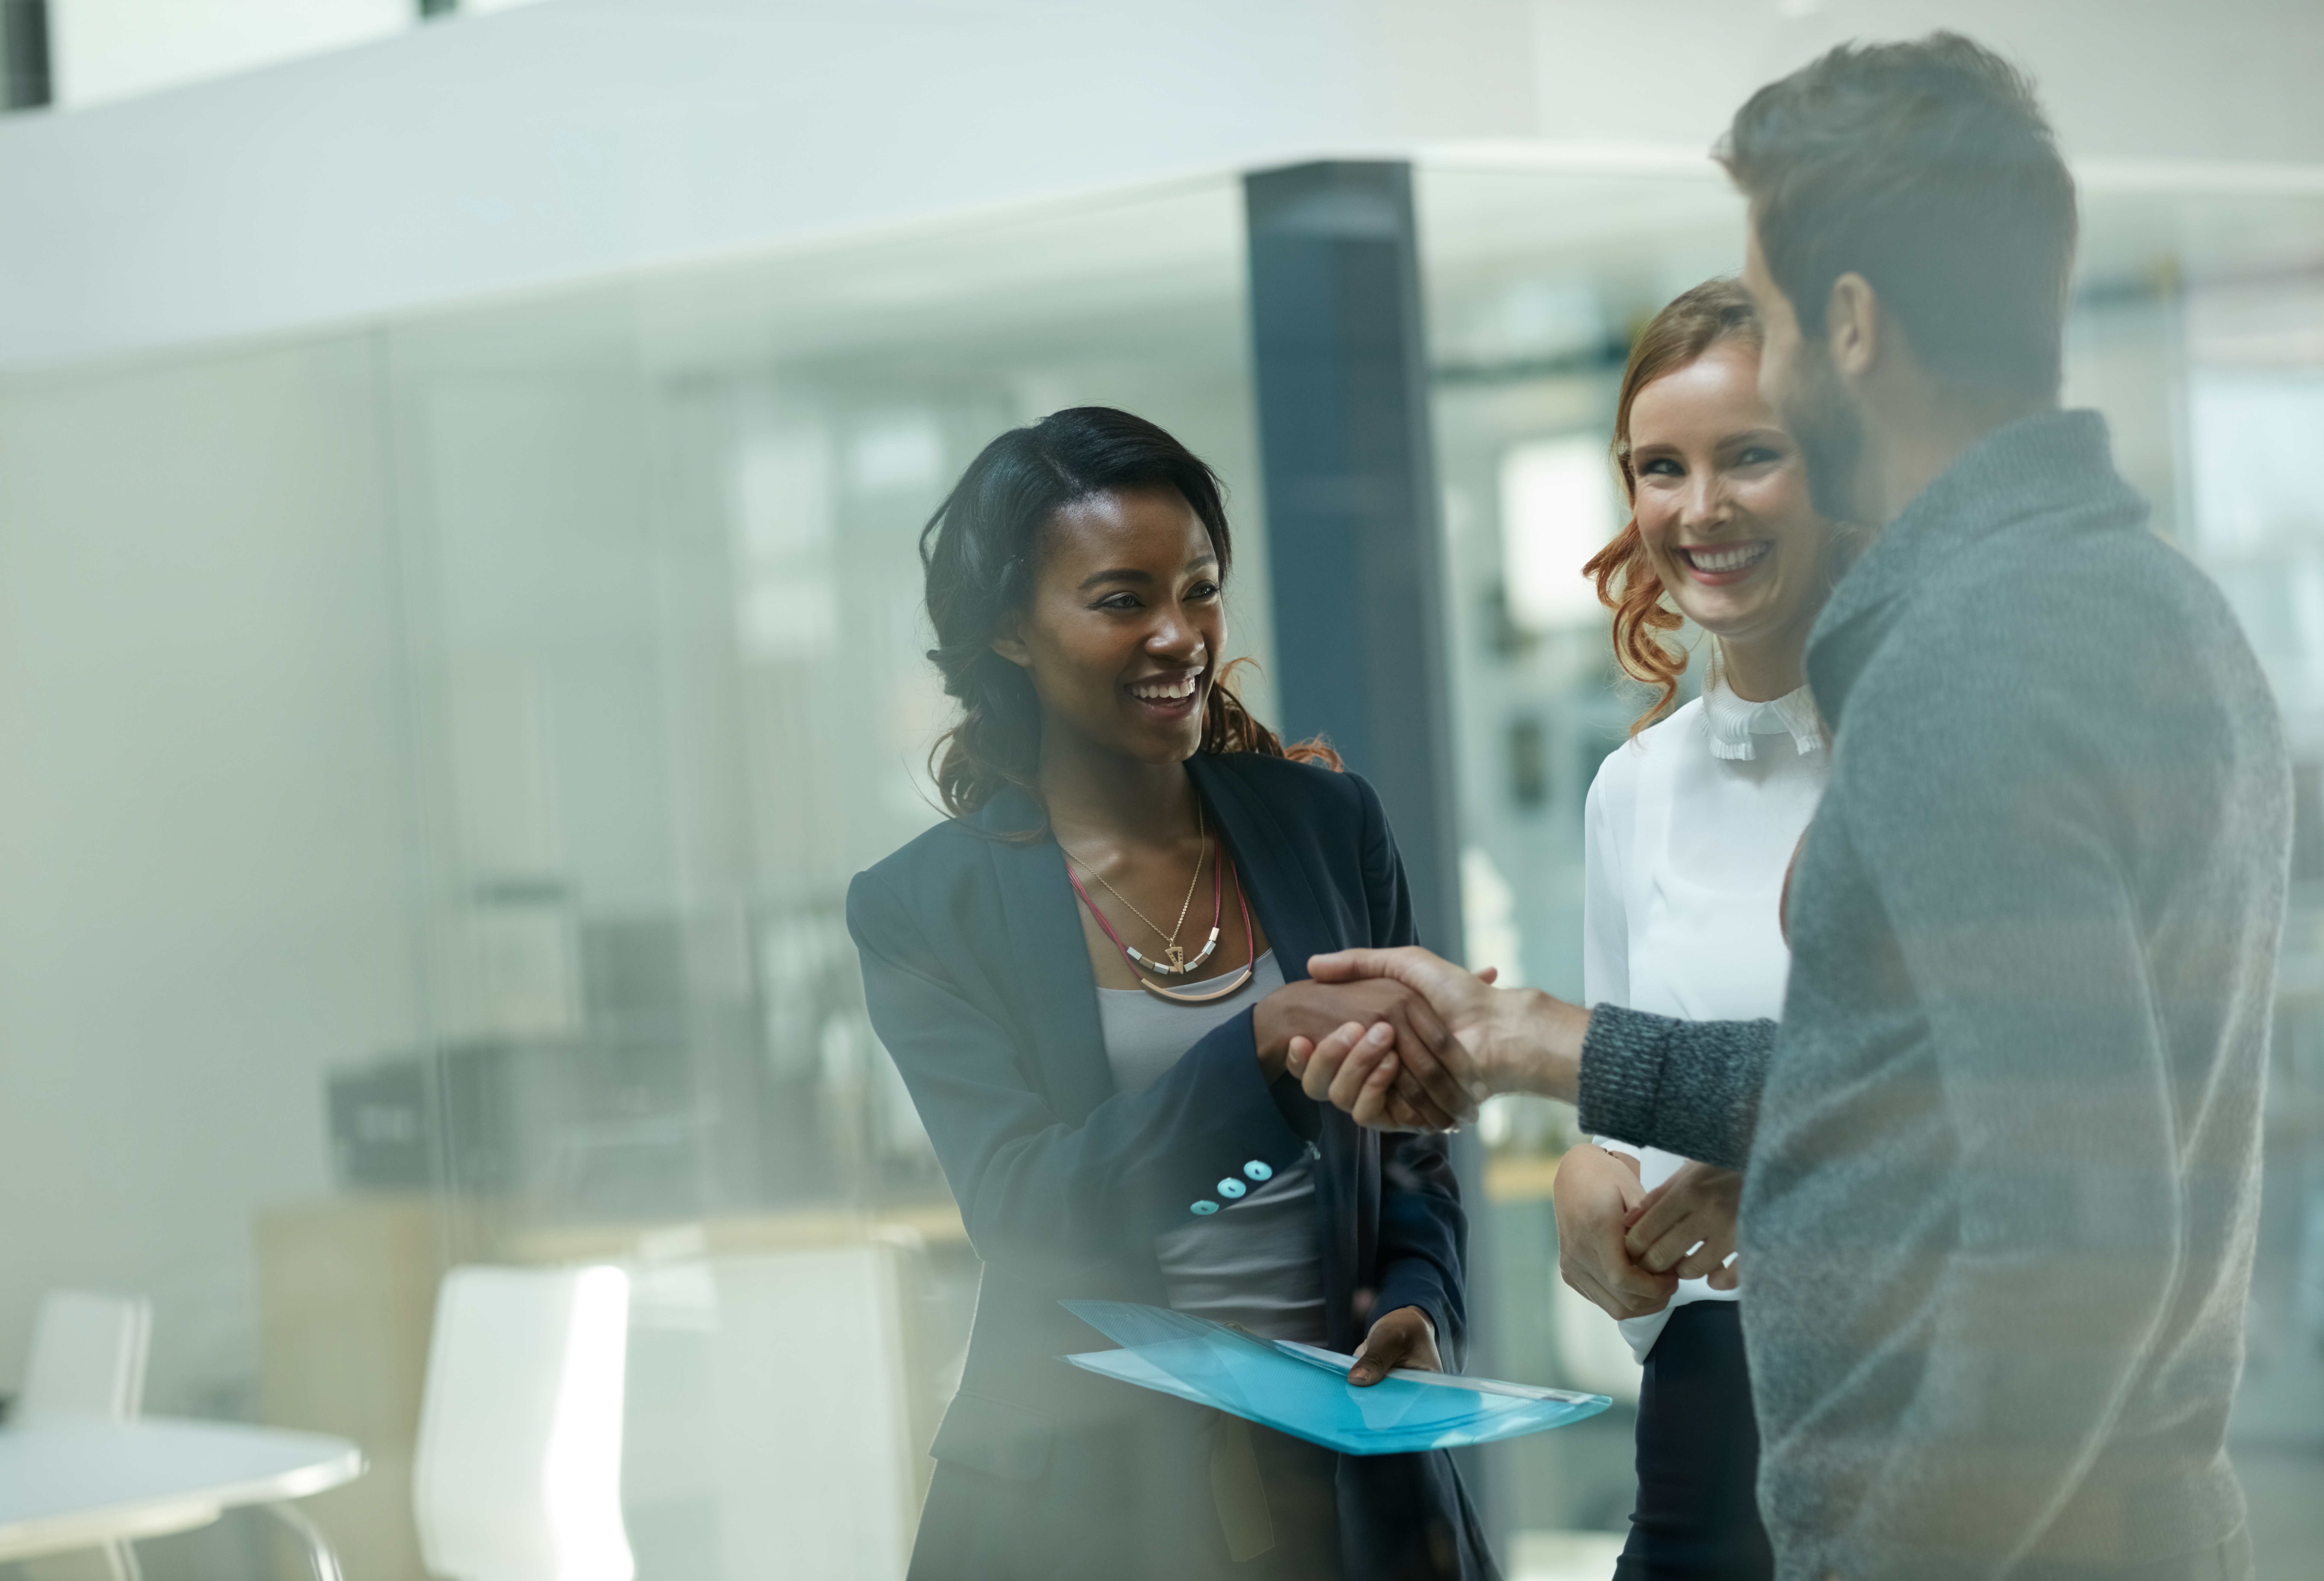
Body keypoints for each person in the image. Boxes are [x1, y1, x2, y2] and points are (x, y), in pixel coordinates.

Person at [1296, 34, 2289, 1581]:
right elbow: (1933, 1107)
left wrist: (1858, 1551)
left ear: (1849, 325)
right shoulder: (2151, 608)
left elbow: (2057, 1243)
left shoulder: (1978, 667)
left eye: (1766, 308)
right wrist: (1524, 1051)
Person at [845, 406, 1496, 1581]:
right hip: (1094, 1501)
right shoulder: (925, 907)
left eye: (1198, 589)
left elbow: (1410, 1156)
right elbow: (1027, 1209)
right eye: (1120, 600)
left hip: (1348, 1486)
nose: (1178, 635)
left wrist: (1422, 1302)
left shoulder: (1328, 824)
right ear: (1009, 632)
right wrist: (1253, 1051)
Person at [1555, 275, 1841, 1580]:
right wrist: (1587, 1188)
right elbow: (1617, 1116)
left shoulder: (1939, 761)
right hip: (1701, 1439)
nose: (1700, 508)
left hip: (1912, 1419)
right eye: (1659, 467)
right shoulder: (1633, 790)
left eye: (1751, 457)